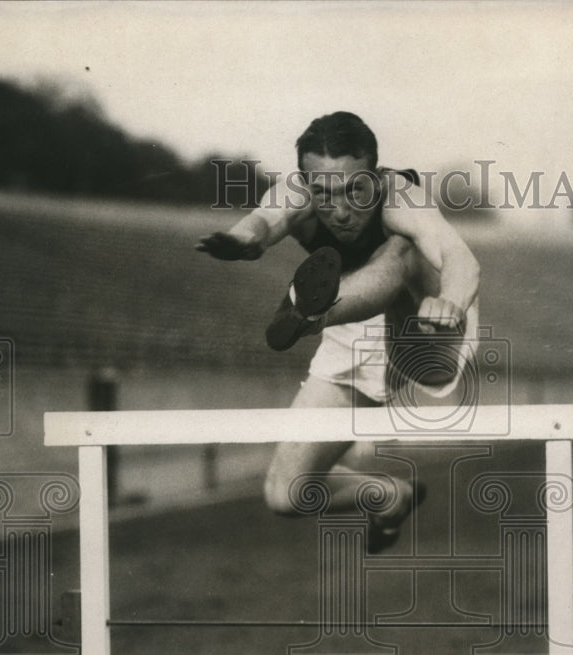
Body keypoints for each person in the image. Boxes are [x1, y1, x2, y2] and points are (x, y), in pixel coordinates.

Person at [197, 111, 480, 551]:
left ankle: (313, 312)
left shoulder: (401, 198)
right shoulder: (296, 194)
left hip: (426, 330)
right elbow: (261, 224)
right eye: (325, 194)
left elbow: (460, 259)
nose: (342, 210)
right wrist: (240, 240)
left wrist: (452, 303)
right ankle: (391, 496)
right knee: (287, 492)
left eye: (356, 190)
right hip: (352, 331)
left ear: (376, 175)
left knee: (400, 249)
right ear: (305, 183)